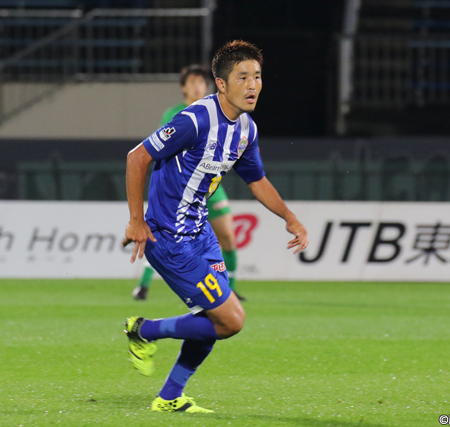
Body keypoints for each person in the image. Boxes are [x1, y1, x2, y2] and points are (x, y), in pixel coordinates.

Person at [123, 40, 308, 413]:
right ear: (221, 84)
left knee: (216, 319)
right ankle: (143, 330)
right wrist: (136, 220)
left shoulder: (246, 129)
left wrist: (289, 217)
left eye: (257, 76)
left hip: (201, 234)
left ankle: (169, 397)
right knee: (231, 320)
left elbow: (257, 180)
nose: (252, 85)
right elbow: (137, 157)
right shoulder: (195, 120)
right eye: (243, 77)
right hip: (170, 238)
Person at [132, 64, 244, 301]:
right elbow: (155, 152)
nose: (197, 87)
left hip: (210, 188)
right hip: (180, 189)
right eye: (192, 82)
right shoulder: (174, 114)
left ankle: (230, 289)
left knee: (227, 237)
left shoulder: (218, 114)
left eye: (201, 82)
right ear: (183, 87)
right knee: (164, 238)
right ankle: (143, 285)